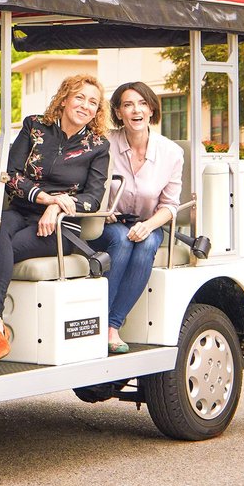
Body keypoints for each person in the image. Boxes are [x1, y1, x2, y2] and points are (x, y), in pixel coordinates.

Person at [0, 74, 111, 361]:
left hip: (60, 227)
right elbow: (11, 175)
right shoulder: (35, 126)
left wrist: (57, 207)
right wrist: (45, 198)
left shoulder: (98, 146)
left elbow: (93, 198)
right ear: (65, 98)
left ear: (97, 111)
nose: (85, 106)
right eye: (80, 97)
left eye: (93, 102)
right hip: (21, 209)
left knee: (0, 248)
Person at [94, 82, 183, 354]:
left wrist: (147, 226)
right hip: (106, 223)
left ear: (152, 109)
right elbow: (88, 187)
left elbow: (169, 206)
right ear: (119, 112)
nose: (136, 110)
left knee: (144, 244)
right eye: (128, 104)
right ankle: (98, 323)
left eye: (142, 103)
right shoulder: (103, 143)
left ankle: (112, 326)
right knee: (121, 239)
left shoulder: (170, 153)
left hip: (148, 223)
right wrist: (102, 213)